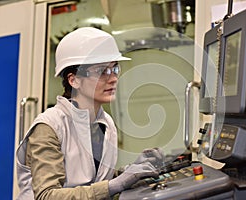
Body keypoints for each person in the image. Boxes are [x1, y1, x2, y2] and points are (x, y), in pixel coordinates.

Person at [16, 27, 164, 200]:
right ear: (74, 80)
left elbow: (92, 182)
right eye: (102, 71)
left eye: (115, 69)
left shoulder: (106, 123)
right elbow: (47, 195)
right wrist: (116, 184)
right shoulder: (50, 126)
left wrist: (129, 173)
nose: (113, 78)